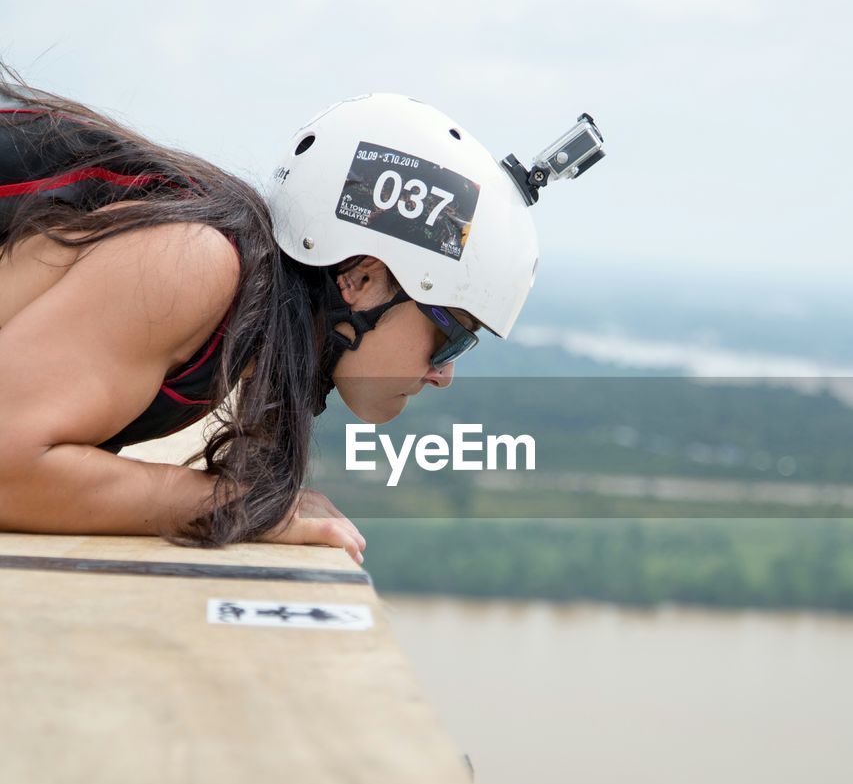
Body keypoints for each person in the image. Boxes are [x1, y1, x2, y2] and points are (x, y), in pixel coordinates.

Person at [0, 71, 539, 563]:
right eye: (451, 338)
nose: (443, 375)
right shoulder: (193, 262)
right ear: (363, 279)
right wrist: (237, 506)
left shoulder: (234, 306)